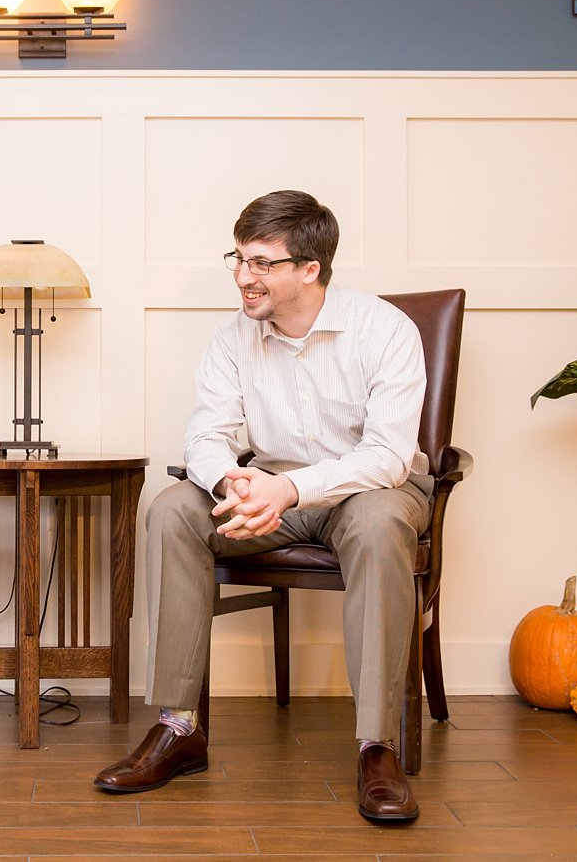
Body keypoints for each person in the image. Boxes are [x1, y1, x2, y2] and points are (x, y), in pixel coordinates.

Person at [93, 189, 430, 824]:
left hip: (368, 493)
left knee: (382, 523)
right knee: (172, 510)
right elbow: (207, 437)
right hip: (266, 491)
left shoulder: (385, 330)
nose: (245, 277)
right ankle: (178, 726)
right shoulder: (231, 341)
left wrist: (291, 489)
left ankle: (377, 746)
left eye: (262, 262)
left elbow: (388, 456)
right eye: (239, 259)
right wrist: (232, 485)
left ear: (311, 268)